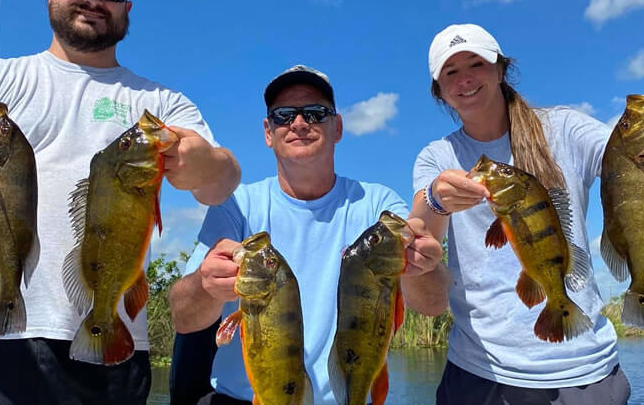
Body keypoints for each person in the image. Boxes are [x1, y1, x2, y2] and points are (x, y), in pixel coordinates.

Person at [0, 0, 241, 403]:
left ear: (128, 8)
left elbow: (223, 181)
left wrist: (206, 163)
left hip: (108, 353)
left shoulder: (163, 103)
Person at [411, 23, 644, 405]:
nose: (465, 79)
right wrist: (434, 199)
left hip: (586, 373)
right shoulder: (436, 158)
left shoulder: (565, 128)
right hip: (481, 375)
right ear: (439, 90)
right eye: (451, 72)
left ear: (500, 69)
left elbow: (639, 168)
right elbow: (418, 241)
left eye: (476, 64)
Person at [169, 64, 451, 404]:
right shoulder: (236, 206)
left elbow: (433, 304)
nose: (299, 124)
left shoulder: (379, 206)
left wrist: (424, 265)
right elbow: (183, 317)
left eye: (316, 113)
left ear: (338, 127)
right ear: (267, 132)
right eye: (283, 115)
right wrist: (205, 284)